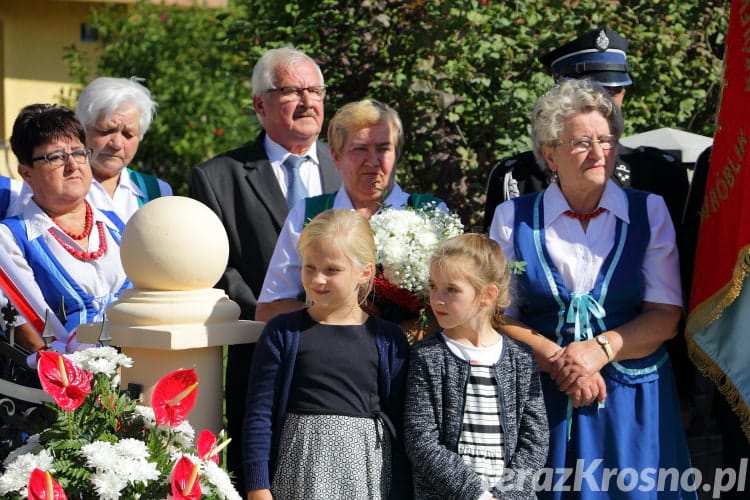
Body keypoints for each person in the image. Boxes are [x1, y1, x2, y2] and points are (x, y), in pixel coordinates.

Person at [489, 79, 695, 498]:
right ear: (550, 154)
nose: (600, 153)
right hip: (545, 401)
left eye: (606, 139)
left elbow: (665, 316)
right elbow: (497, 317)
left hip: (632, 400)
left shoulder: (648, 210)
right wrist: (559, 360)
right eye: (583, 142)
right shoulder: (513, 218)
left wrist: (597, 350)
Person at [188, 46, 341, 491]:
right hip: (261, 355)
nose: (308, 101)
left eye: (315, 90)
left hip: (344, 354)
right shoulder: (218, 176)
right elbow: (217, 269)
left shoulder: (348, 163)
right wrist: (275, 313)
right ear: (260, 104)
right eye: (293, 91)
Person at [243, 208, 410, 500]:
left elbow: (400, 419)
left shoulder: (388, 339)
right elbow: (259, 415)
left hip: (365, 475)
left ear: (364, 272)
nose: (318, 280)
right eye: (310, 267)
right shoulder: (283, 332)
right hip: (299, 473)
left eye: (332, 270)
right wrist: (258, 486)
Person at [255, 98, 445, 325]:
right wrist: (333, 310)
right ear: (336, 156)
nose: (372, 161)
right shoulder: (308, 213)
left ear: (397, 154)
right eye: (360, 149)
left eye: (384, 148)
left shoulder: (428, 214)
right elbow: (269, 309)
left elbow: (459, 301)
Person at [482, 27, 688, 233]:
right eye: (592, 93)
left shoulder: (658, 174)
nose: (604, 102)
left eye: (614, 92)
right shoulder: (518, 177)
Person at [404, 233, 548, 499]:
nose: (437, 299)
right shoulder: (427, 356)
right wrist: (476, 495)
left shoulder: (521, 358)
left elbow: (535, 440)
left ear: (487, 294)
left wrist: (507, 494)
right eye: (433, 286)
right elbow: (420, 438)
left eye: (451, 289)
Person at [1, 104, 130, 353]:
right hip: (65, 383)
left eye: (79, 153)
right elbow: (26, 330)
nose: (73, 165)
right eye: (56, 157)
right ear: (26, 173)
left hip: (141, 369)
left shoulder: (116, 223)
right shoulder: (10, 239)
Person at [75, 76, 172, 225]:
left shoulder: (157, 192)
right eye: (106, 130)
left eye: (128, 134)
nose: (117, 144)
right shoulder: (55, 187)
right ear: (82, 128)